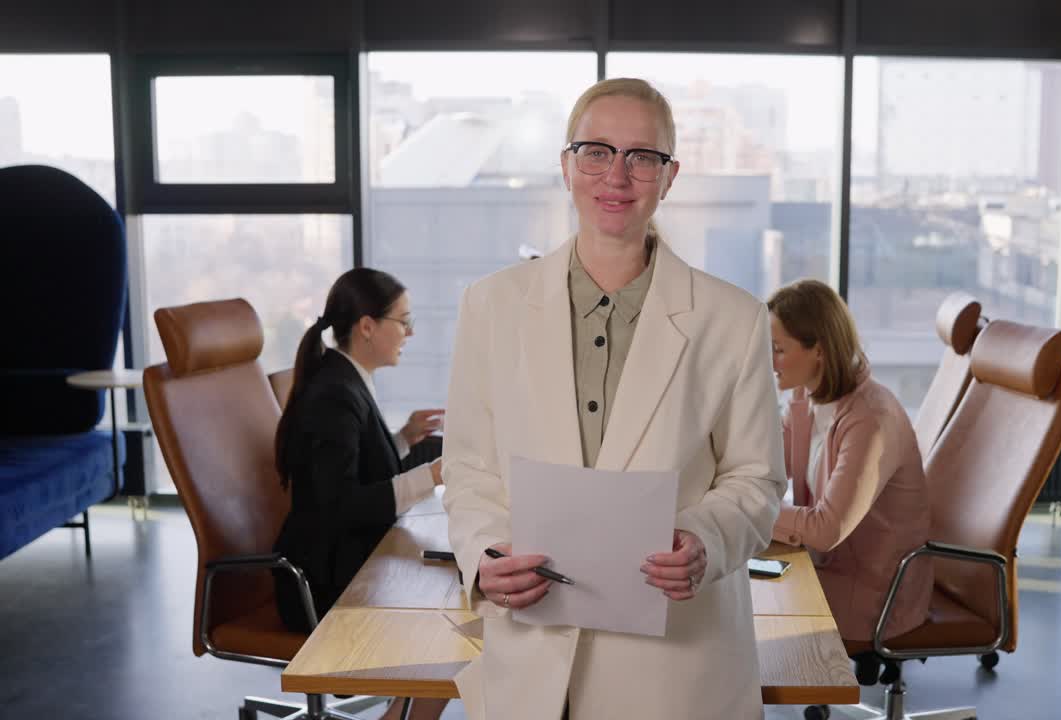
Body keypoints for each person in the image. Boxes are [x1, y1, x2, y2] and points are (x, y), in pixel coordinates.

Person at [442, 78, 786, 719]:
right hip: (532, 655)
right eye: (596, 151)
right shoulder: (491, 306)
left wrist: (705, 540)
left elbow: (757, 478)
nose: (617, 176)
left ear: (670, 176)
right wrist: (485, 554)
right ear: (566, 165)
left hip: (675, 670)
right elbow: (468, 466)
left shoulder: (734, 320)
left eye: (642, 157)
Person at [272, 268, 447, 720]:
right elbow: (341, 505)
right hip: (321, 581)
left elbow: (350, 469)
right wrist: (432, 475)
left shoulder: (346, 377)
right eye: (403, 321)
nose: (411, 332)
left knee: (452, 598)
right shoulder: (335, 393)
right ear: (367, 326)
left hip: (340, 560)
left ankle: (403, 710)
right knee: (449, 616)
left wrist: (404, 440)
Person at [767, 279, 933, 678]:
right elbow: (766, 464)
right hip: (830, 567)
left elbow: (826, 530)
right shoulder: (808, 396)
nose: (769, 361)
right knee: (724, 574)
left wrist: (752, 512)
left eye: (778, 350)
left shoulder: (870, 419)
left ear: (819, 350)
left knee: (736, 600)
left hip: (875, 592)